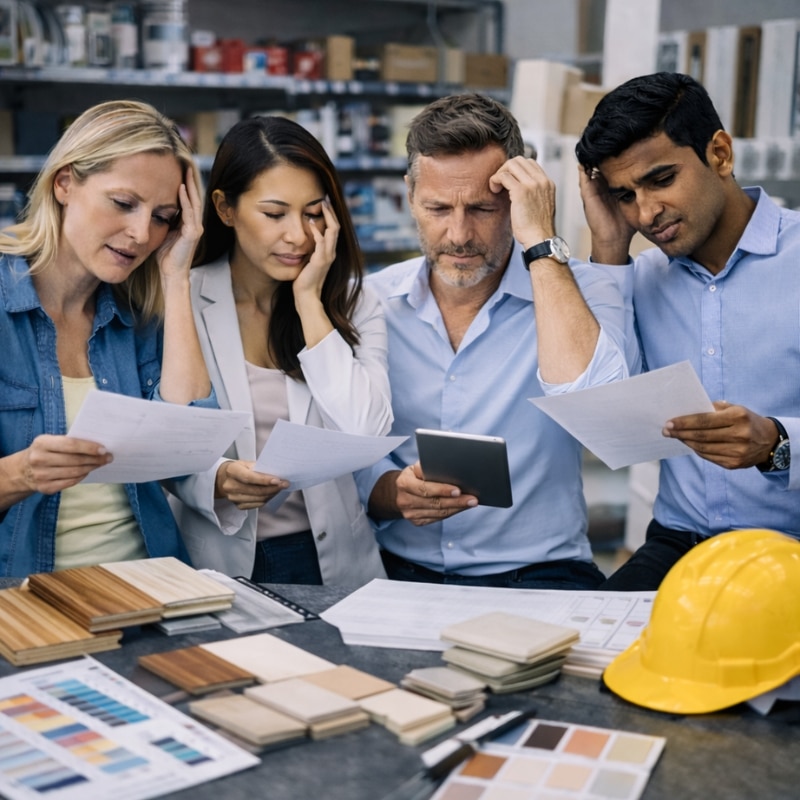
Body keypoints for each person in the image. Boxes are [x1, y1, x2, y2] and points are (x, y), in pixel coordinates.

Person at [355, 93, 630, 589]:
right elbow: (346, 445)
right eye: (437, 207)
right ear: (410, 196)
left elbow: (604, 416)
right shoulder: (371, 302)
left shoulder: (584, 291)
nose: (458, 234)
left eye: (482, 208)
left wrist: (540, 242)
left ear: (519, 197)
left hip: (543, 574)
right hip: (395, 572)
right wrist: (387, 491)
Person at [573, 71, 800, 590]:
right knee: (595, 664)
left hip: (788, 546)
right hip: (681, 542)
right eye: (624, 195)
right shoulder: (639, 280)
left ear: (719, 153)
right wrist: (609, 249)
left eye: (660, 180)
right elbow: (603, 409)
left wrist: (777, 443)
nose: (647, 213)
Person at [167, 115, 393, 586]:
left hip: (334, 558)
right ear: (225, 209)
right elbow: (167, 439)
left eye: (313, 212)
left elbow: (365, 430)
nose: (299, 235)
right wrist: (219, 479)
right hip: (219, 555)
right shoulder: (180, 299)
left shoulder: (355, 302)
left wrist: (309, 300)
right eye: (275, 214)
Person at [0, 99, 212, 577]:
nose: (141, 233)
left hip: (149, 582)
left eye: (163, 216)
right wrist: (18, 474)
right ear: (65, 183)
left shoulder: (137, 315)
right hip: (27, 595)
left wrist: (177, 277)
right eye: (123, 203)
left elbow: (188, 446)